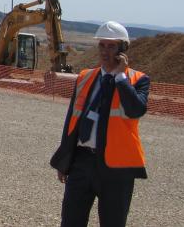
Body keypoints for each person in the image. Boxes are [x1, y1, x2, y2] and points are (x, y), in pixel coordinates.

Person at [50, 21, 150, 227]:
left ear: (123, 49)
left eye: (111, 46)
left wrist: (121, 77)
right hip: (82, 162)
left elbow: (135, 110)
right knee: (70, 221)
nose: (105, 51)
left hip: (117, 168)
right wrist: (64, 160)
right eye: (102, 45)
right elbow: (72, 120)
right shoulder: (85, 77)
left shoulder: (137, 80)